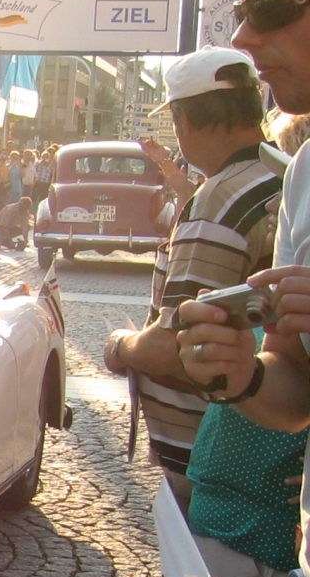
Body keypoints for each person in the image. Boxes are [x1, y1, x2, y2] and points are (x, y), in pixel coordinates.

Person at [178, 0, 310, 577]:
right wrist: (248, 373)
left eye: (275, 3)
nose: (244, 35)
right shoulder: (302, 174)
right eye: (241, 5)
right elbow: (299, 395)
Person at [105, 48, 283, 507]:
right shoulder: (280, 174)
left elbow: (179, 348)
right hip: (266, 449)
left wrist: (120, 347)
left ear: (183, 121)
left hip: (211, 461)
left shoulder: (219, 200)